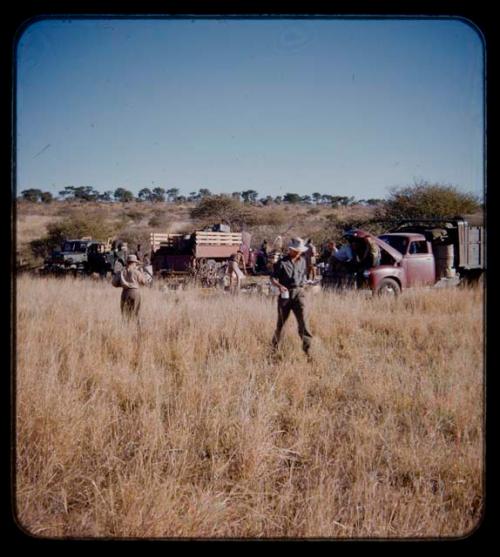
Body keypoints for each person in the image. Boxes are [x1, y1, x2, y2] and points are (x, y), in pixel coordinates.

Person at [270, 237, 313, 358]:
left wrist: (306, 284)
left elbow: (303, 276)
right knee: (281, 324)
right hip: (285, 294)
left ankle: (308, 351)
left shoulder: (303, 261)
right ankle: (274, 350)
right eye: (297, 250)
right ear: (291, 250)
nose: (300, 252)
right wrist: (279, 286)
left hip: (299, 293)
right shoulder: (282, 262)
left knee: (304, 323)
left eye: (300, 250)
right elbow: (273, 278)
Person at [120, 254, 148, 320]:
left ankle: (126, 327)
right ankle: (135, 327)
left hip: (124, 292)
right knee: (135, 313)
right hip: (135, 292)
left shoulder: (122, 272)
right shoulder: (137, 272)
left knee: (125, 313)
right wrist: (142, 272)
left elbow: (114, 283)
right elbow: (144, 282)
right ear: (134, 263)